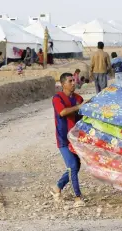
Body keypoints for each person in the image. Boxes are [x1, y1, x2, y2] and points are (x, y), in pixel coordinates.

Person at [51, 72, 88, 208]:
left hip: (76, 138)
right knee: (72, 166)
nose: (74, 83)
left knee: (76, 166)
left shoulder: (78, 98)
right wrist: (79, 107)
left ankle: (57, 187)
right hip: (63, 138)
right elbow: (62, 112)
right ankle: (78, 197)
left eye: (74, 80)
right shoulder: (57, 98)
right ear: (63, 84)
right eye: (70, 81)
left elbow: (82, 116)